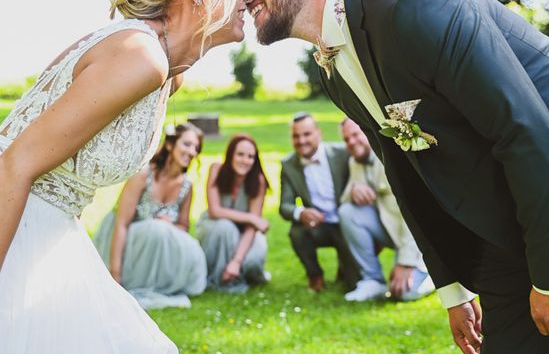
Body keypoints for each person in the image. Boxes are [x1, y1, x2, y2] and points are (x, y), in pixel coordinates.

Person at [234, 0, 549, 353]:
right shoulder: (334, 70)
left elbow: (523, 130)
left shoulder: (415, 7)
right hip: (508, 222)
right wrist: (452, 287)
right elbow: (406, 166)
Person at [0, 0, 252, 353]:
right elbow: (15, 162)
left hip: (50, 228)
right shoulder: (139, 56)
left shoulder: (165, 71)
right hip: (14, 216)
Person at [93, 122, 207, 309]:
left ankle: (166, 281)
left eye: (196, 148)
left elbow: (184, 226)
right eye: (187, 144)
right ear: (170, 145)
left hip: (158, 244)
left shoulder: (187, 186)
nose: (192, 151)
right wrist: (115, 272)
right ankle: (128, 277)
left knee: (183, 241)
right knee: (156, 229)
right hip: (125, 238)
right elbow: (122, 224)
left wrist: (168, 225)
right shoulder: (143, 175)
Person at [339, 118, 435, 302]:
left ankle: (433, 276)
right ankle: (372, 280)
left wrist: (405, 262)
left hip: (418, 235)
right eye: (346, 139)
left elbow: (415, 212)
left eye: (355, 135)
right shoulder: (355, 161)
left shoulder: (389, 158)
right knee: (347, 212)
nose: (351, 142)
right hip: (391, 229)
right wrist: (353, 190)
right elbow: (344, 201)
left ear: (367, 134)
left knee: (405, 293)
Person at [279, 112, 359, 292]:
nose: (301, 140)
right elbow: (284, 206)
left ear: (319, 133)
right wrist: (301, 212)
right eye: (296, 136)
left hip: (346, 224)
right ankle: (314, 275)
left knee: (355, 284)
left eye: (306, 134)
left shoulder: (342, 154)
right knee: (297, 231)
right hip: (318, 226)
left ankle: (345, 268)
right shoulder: (288, 164)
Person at [197, 133, 270, 293]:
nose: (245, 160)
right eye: (240, 154)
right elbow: (215, 211)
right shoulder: (216, 169)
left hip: (245, 232)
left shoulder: (258, 181)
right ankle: (216, 278)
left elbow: (252, 228)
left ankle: (236, 271)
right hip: (214, 226)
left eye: (250, 156)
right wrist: (251, 218)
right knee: (225, 227)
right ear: (230, 154)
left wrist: (237, 261)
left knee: (252, 261)